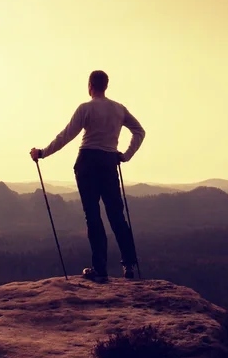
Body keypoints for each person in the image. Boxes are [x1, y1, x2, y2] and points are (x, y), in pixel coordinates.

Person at [30, 70, 145, 282]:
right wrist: (125, 156)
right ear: (106, 86)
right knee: (116, 215)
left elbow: (66, 135)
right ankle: (129, 265)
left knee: (92, 215)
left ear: (90, 86)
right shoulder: (119, 109)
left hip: (87, 162)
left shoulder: (86, 108)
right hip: (110, 161)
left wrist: (43, 153)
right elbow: (140, 131)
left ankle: (99, 268)